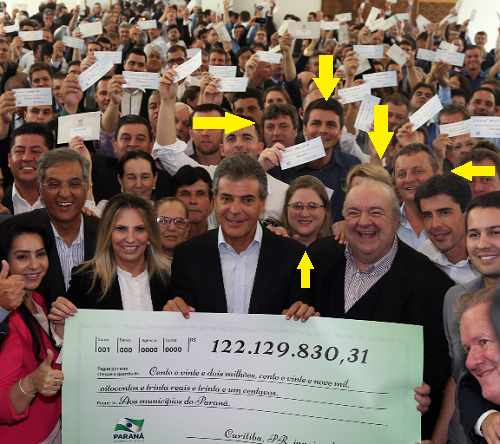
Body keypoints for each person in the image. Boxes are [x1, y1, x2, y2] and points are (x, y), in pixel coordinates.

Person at [308, 179, 454, 439]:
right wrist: (296, 304)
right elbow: (300, 285)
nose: (364, 222)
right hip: (315, 418)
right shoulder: (315, 256)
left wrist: (419, 384)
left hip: (381, 427)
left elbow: (439, 355)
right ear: (343, 219)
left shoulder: (433, 284)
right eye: (354, 213)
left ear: (396, 219)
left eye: (376, 212)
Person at [164, 154, 313, 320]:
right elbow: (180, 312)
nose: (235, 210)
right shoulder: (186, 255)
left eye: (247, 200)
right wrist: (173, 312)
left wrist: (305, 313)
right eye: (226, 199)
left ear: (262, 203)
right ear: (215, 201)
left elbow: (305, 304)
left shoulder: (298, 255)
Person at [49, 194, 171, 329]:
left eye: (139, 229)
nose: (130, 239)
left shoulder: (171, 277)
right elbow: (71, 336)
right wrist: (61, 324)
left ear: (150, 234)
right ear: (108, 235)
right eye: (121, 229)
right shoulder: (85, 280)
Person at [7, 148, 99, 306]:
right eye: (54, 184)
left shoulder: (106, 233)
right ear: (40, 189)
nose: (64, 193)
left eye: (74, 184)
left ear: (86, 187)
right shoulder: (15, 231)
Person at [0, 220, 64, 443]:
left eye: (40, 254)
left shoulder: (36, 300)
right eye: (22, 257)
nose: (35, 265)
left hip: (51, 427)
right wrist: (30, 384)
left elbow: (44, 359)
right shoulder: (7, 318)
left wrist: (60, 332)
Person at [415, 174, 479, 284]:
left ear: (468, 212)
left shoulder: (490, 259)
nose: (435, 224)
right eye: (428, 215)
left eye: (445, 213)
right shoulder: (423, 256)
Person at [281, 175, 332, 247]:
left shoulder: (341, 249)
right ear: (286, 208)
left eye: (312, 206)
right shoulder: (272, 242)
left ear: (325, 210)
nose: (304, 214)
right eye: (297, 206)